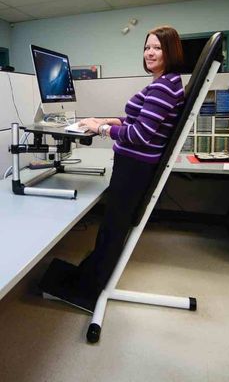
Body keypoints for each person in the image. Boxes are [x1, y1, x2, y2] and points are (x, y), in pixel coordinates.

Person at [62, 25, 185, 312]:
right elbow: (135, 120)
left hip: (135, 167)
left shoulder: (164, 86)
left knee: (112, 228)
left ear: (171, 52)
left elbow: (140, 135)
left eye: (157, 47)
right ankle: (90, 278)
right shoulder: (166, 83)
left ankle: (89, 289)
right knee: (110, 227)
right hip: (135, 165)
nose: (150, 52)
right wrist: (103, 120)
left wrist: (101, 129)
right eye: (146, 47)